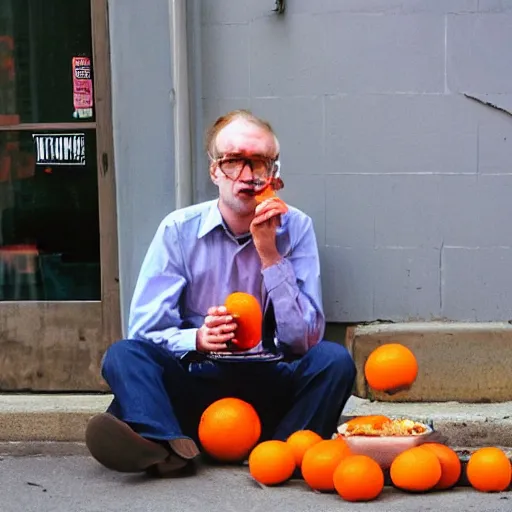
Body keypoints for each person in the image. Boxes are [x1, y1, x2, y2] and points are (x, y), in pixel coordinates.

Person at [85, 110, 356, 477]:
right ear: (215, 171)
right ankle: (167, 442)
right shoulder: (179, 230)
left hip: (269, 381)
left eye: (258, 162)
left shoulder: (296, 227)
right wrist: (198, 338)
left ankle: (281, 451)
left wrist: (270, 254)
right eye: (232, 162)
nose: (246, 175)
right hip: (199, 378)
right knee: (124, 355)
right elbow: (146, 330)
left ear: (273, 173)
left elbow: (303, 342)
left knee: (334, 360)